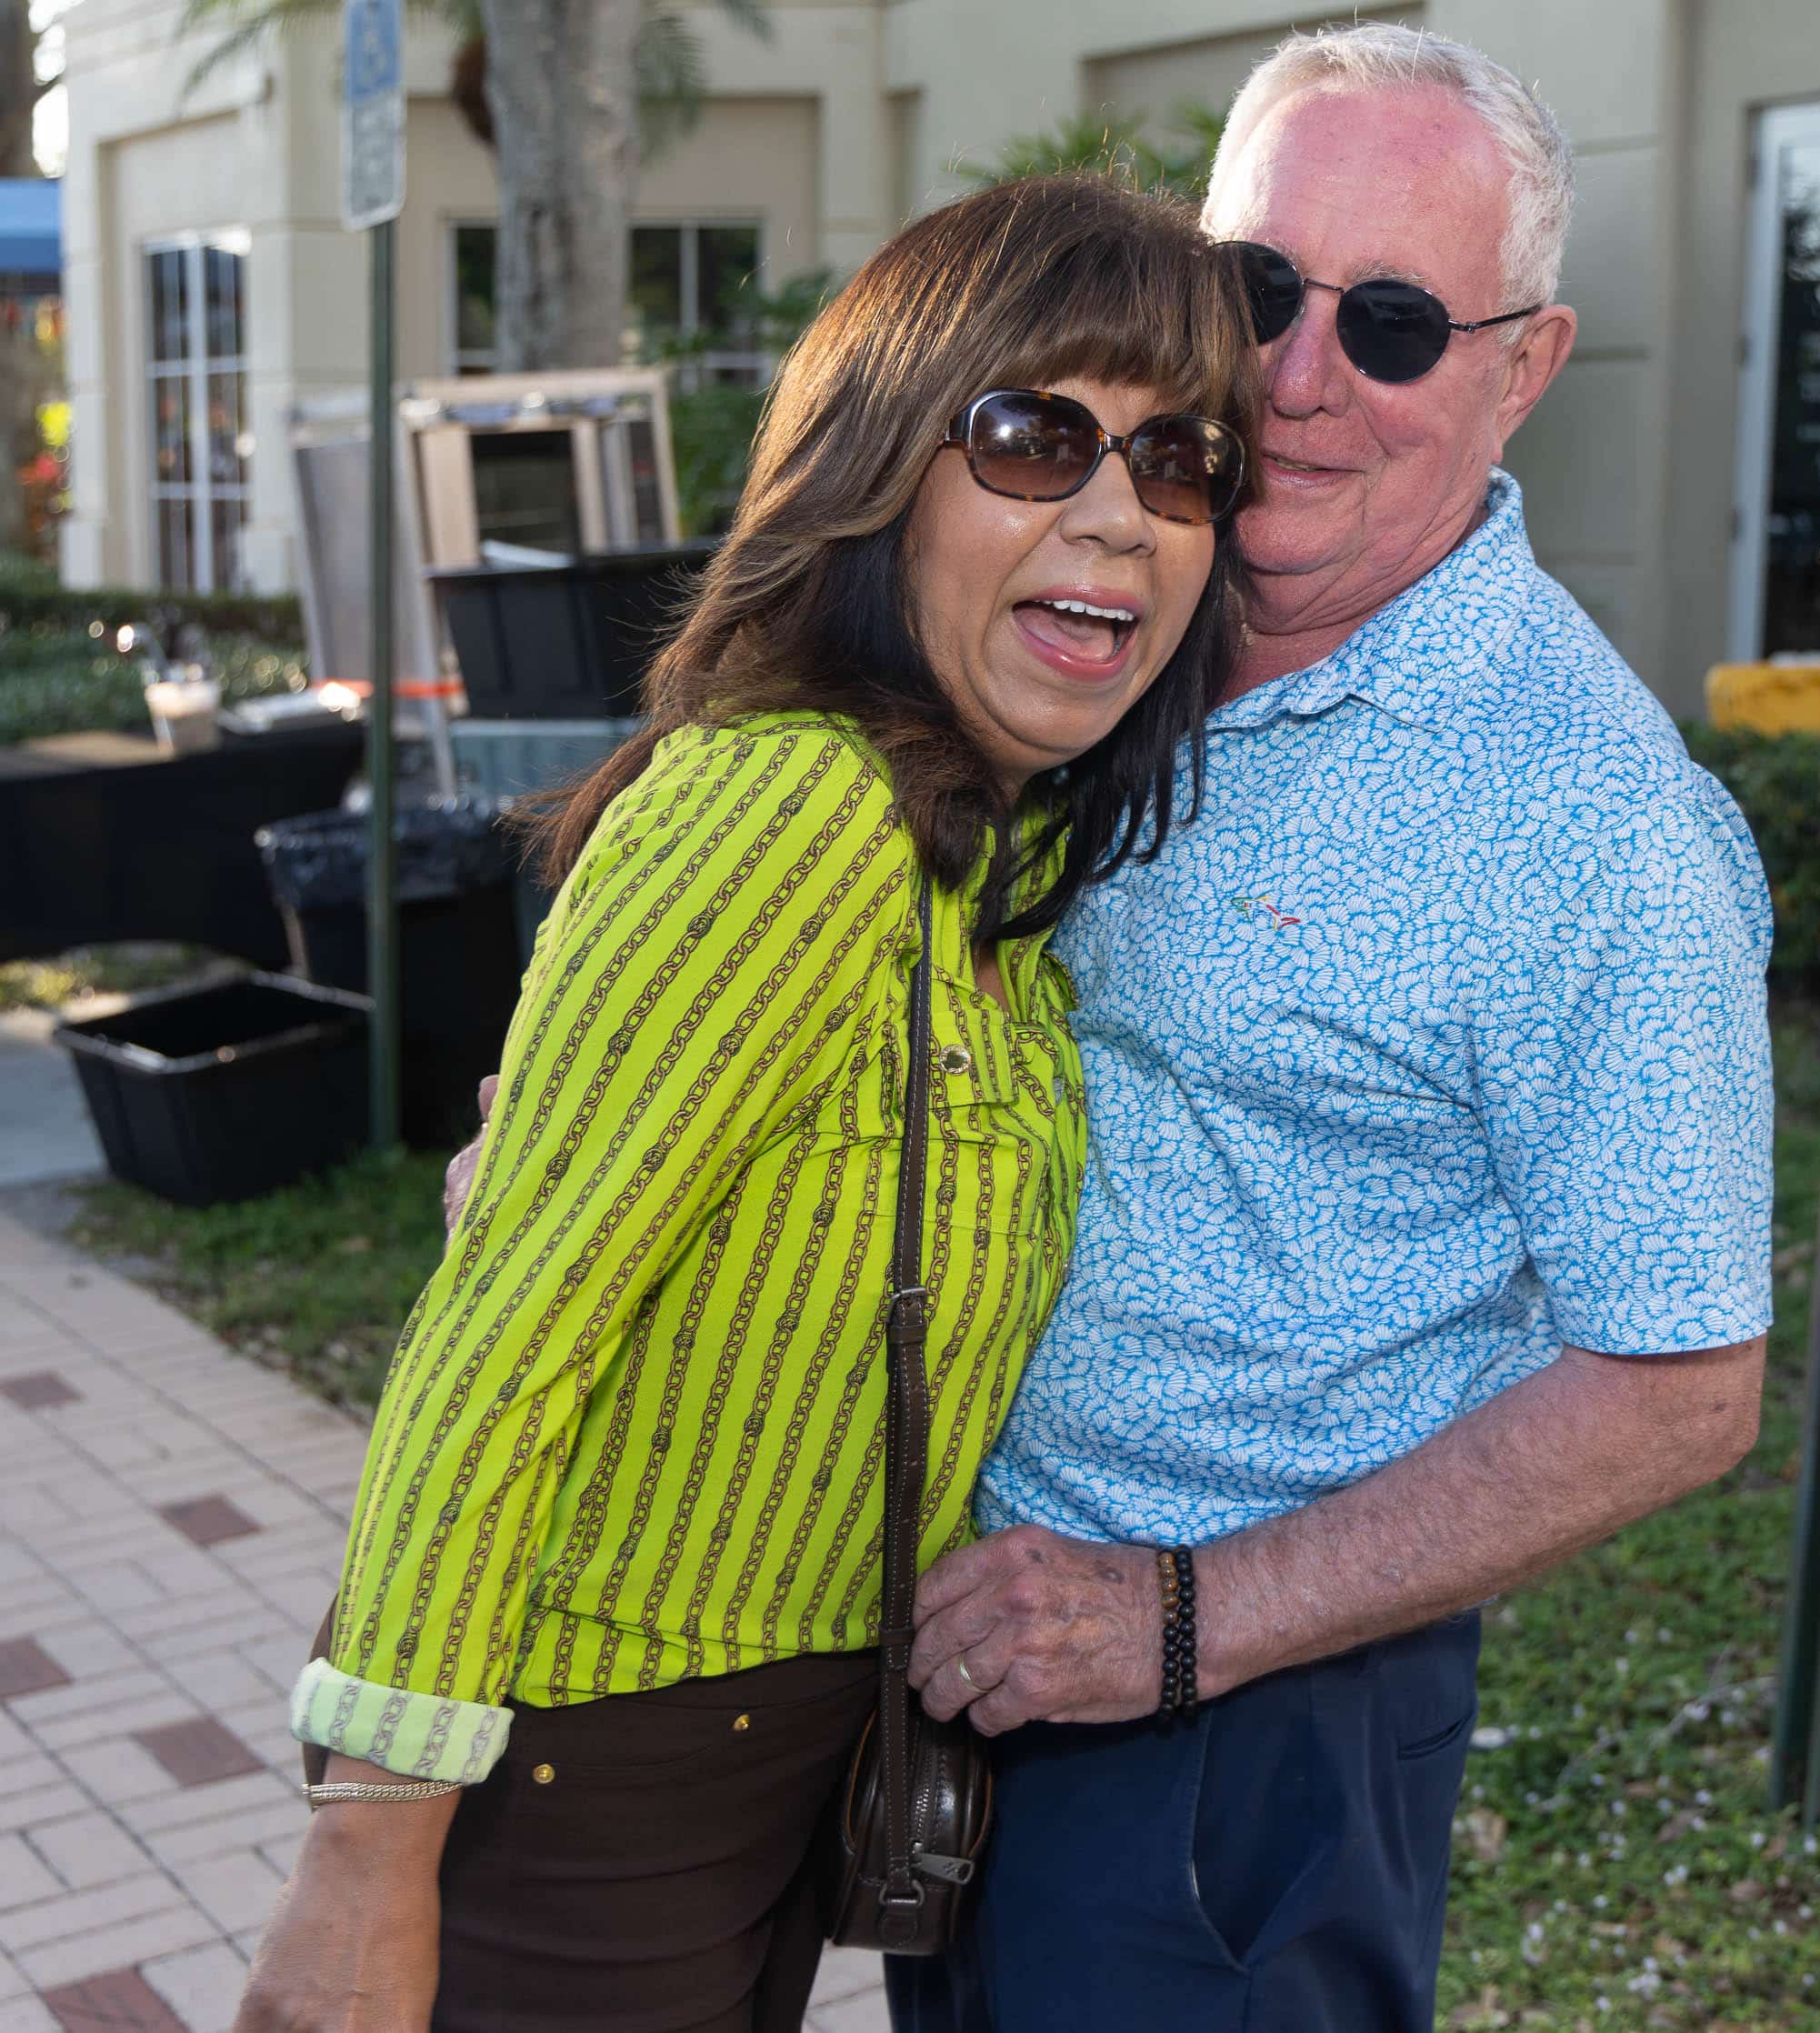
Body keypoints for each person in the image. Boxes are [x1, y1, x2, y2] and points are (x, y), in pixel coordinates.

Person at [235, 174, 1257, 2033]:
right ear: (878, 472)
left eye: (1178, 460)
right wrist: (363, 1867)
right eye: (1035, 437)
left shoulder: (992, 870)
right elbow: (503, 1339)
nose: (1119, 510)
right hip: (588, 1776)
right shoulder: (789, 807)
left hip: (770, 1770)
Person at [888, 24, 1775, 2033]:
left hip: (1232, 1732)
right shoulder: (1106, 612)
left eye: (1391, 324)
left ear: (1522, 367)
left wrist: (1183, 1619)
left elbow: (1679, 1384)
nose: (1296, 376)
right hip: (972, 1638)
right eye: (1258, 286)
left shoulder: (1591, 824)